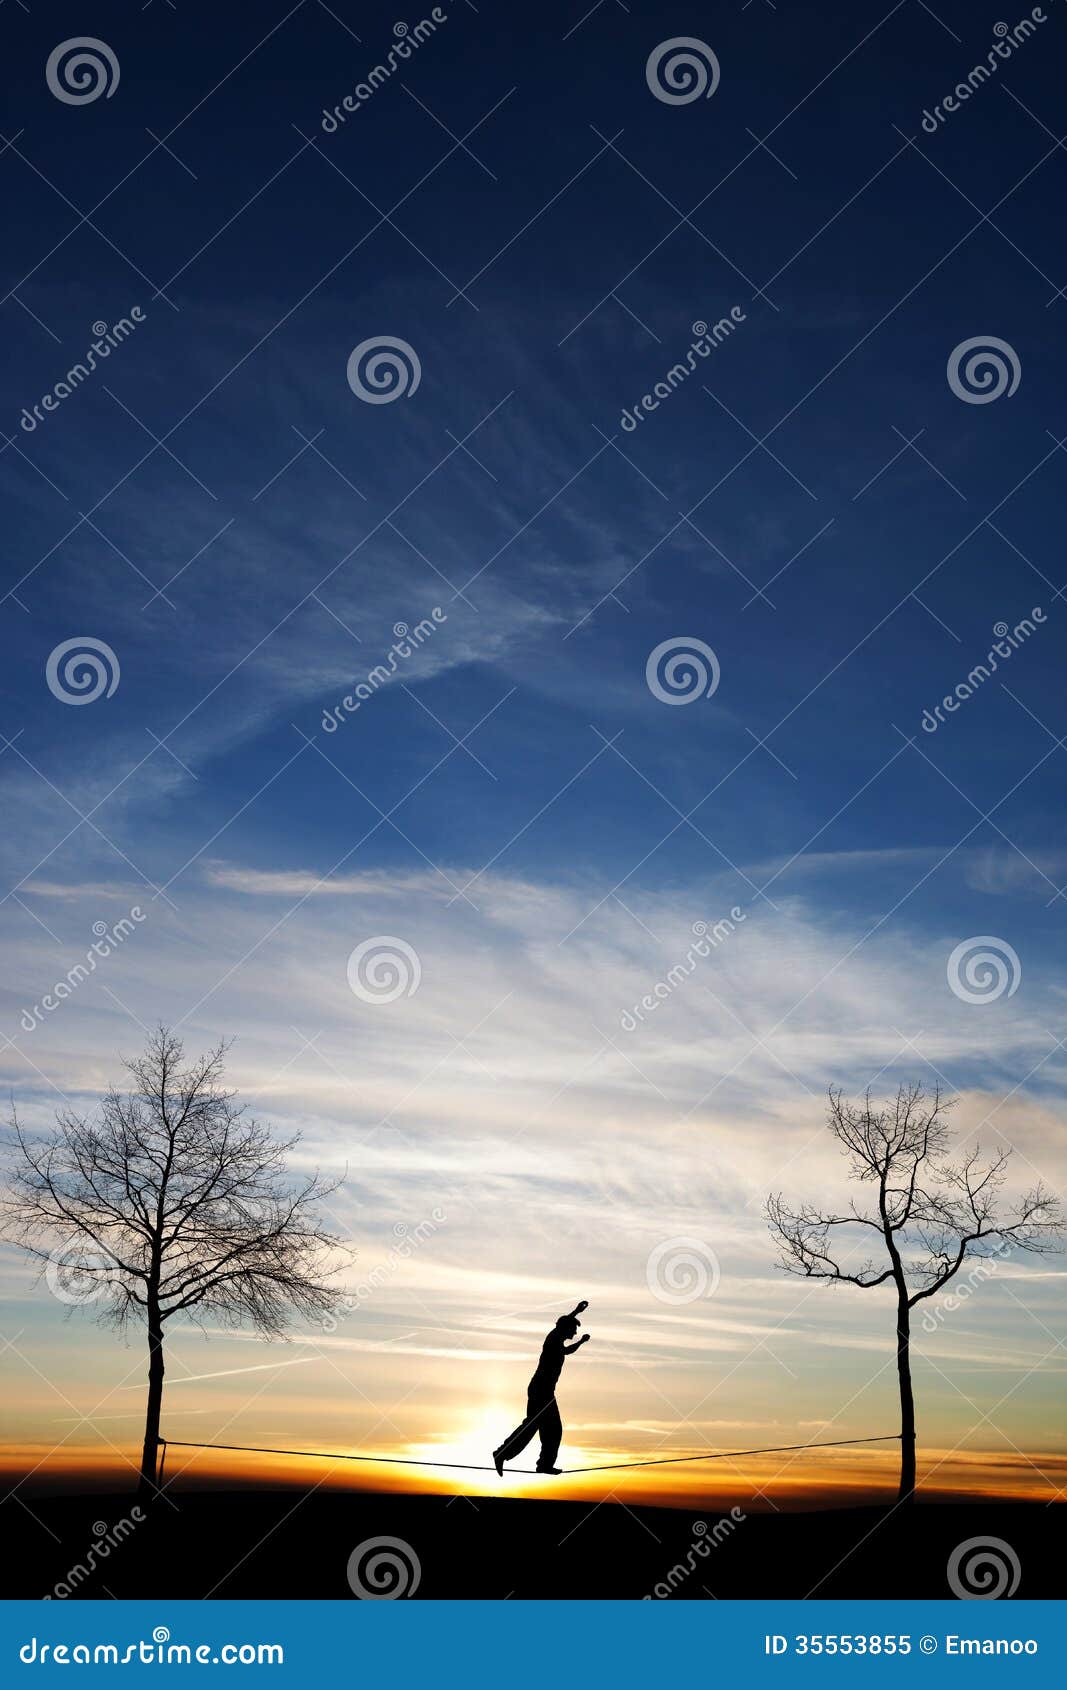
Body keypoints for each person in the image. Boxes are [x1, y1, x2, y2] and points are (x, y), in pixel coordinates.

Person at [493, 1300, 590, 1475]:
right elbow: (561, 1324)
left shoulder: (558, 1345)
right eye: (574, 1330)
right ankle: (503, 1453)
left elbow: (567, 1351)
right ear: (566, 1328)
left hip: (545, 1391)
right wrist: (576, 1311)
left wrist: (582, 1342)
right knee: (534, 1425)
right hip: (540, 1390)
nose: (575, 1333)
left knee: (551, 1429)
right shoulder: (552, 1338)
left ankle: (542, 1464)